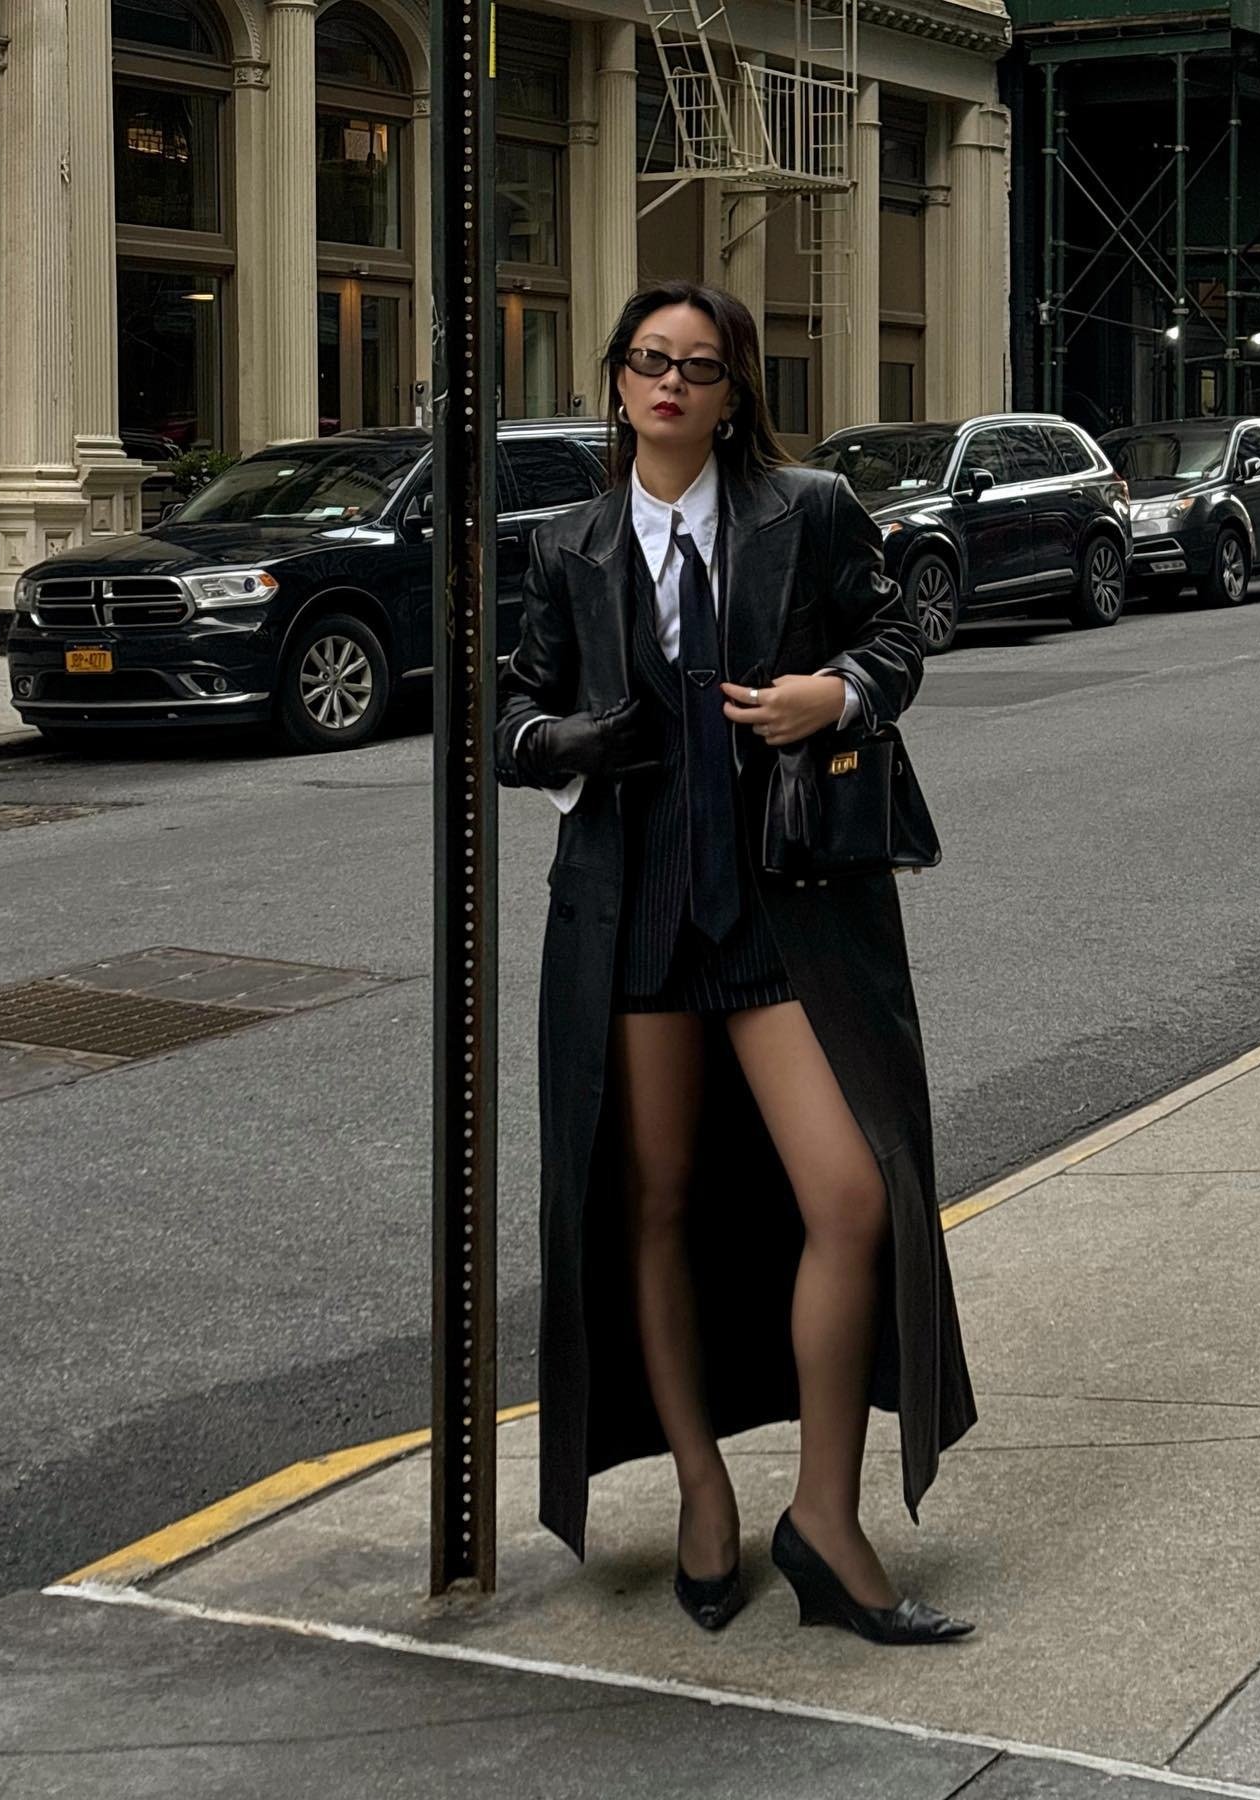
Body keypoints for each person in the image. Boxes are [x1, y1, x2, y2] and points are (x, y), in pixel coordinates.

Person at [496, 280, 976, 1646]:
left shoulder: (805, 511)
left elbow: (898, 635)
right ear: (617, 381)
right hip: (630, 917)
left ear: (731, 393)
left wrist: (840, 695)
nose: (671, 385)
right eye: (651, 361)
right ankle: (703, 1490)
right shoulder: (571, 543)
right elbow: (510, 710)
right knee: (646, 1201)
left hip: (778, 909)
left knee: (851, 1194)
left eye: (699, 367)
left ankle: (825, 1516)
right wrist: (567, 744)